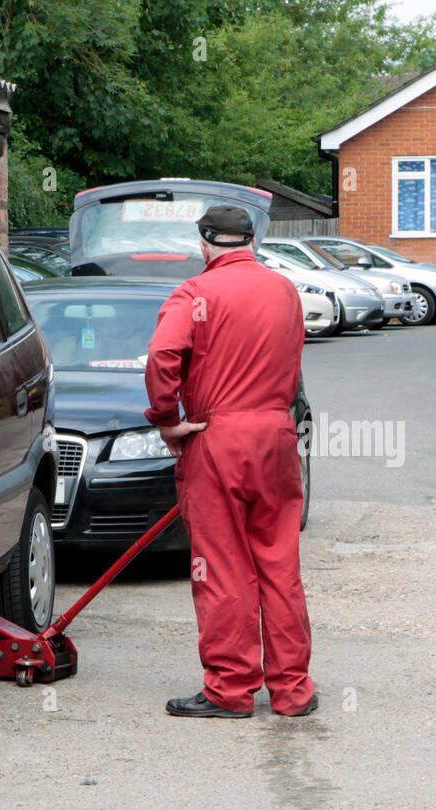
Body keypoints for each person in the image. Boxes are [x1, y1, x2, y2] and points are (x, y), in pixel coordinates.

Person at [144, 204, 317, 717]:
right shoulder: (284, 290)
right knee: (279, 563)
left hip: (220, 439)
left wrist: (166, 419)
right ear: (251, 241)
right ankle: (292, 691)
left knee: (221, 567)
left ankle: (230, 688)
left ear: (204, 243)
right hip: (277, 436)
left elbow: (161, 357)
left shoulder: (195, 293)